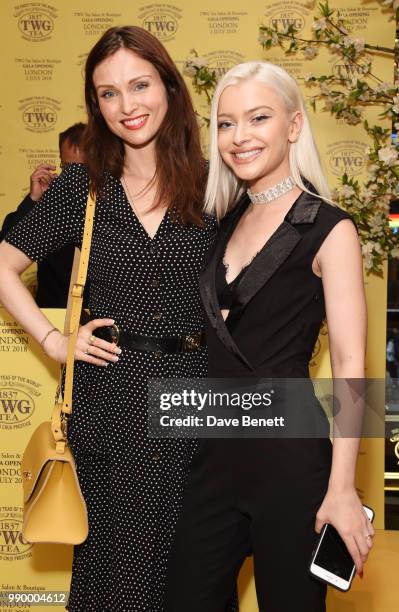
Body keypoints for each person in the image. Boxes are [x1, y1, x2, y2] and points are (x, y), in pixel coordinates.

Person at [0, 26, 237, 612]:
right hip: (110, 401)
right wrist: (54, 342)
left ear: (169, 88)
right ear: (95, 104)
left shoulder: (216, 186)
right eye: (108, 93)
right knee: (114, 573)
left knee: (197, 571)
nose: (127, 106)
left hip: (195, 402)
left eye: (139, 85)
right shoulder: (81, 187)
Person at [165, 61, 375, 612]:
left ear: (294, 125)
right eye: (227, 124)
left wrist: (342, 487)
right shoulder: (224, 220)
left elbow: (352, 363)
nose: (240, 137)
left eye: (259, 118)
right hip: (212, 451)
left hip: (288, 456)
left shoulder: (331, 228)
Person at [0, 123, 86, 307]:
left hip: (102, 323)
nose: (76, 179)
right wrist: (34, 199)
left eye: (84, 169)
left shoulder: (117, 208)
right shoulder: (55, 206)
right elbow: (5, 247)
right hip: (50, 320)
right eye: (69, 169)